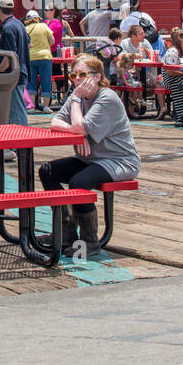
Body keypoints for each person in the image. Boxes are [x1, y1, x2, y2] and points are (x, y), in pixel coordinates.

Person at [41, 53, 140, 256]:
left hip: (119, 161)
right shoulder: (77, 97)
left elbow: (79, 126)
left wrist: (79, 125)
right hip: (89, 159)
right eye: (73, 75)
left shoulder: (106, 98)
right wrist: (79, 133)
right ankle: (66, 233)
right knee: (47, 170)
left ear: (96, 76)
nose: (77, 79)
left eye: (82, 74)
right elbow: (55, 122)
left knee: (79, 182)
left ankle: (90, 241)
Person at [0, 0, 31, 126]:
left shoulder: (7, 28)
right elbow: (29, 44)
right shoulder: (18, 24)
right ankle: (21, 143)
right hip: (22, 71)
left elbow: (10, 56)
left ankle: (22, 143)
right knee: (17, 109)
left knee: (17, 112)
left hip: (12, 75)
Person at [25, 11, 56, 112]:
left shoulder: (25, 29)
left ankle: (32, 106)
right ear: (37, 18)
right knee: (46, 81)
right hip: (45, 56)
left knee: (31, 82)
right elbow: (52, 40)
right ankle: (46, 106)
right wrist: (45, 46)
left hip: (30, 58)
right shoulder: (43, 26)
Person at [115, 52, 145, 116]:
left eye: (131, 65)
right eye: (129, 64)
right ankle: (139, 100)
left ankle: (132, 105)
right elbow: (123, 79)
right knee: (138, 85)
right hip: (123, 84)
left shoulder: (126, 69)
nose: (130, 66)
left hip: (128, 82)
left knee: (137, 86)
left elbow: (128, 76)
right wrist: (127, 84)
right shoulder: (122, 69)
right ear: (124, 62)